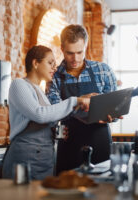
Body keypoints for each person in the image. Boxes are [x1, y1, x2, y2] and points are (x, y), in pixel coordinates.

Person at [2, 45, 92, 180]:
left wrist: (55, 131)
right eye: (50, 63)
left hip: (44, 160)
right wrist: (74, 101)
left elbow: (45, 119)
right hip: (24, 159)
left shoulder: (41, 92)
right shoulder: (18, 85)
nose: (54, 68)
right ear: (35, 63)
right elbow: (40, 114)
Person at [47, 24, 118, 174]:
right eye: (70, 53)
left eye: (80, 52)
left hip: (100, 141)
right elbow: (53, 111)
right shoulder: (54, 77)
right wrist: (80, 103)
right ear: (62, 49)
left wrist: (113, 114)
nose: (75, 59)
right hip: (70, 144)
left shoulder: (104, 71)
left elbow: (114, 110)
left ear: (85, 45)